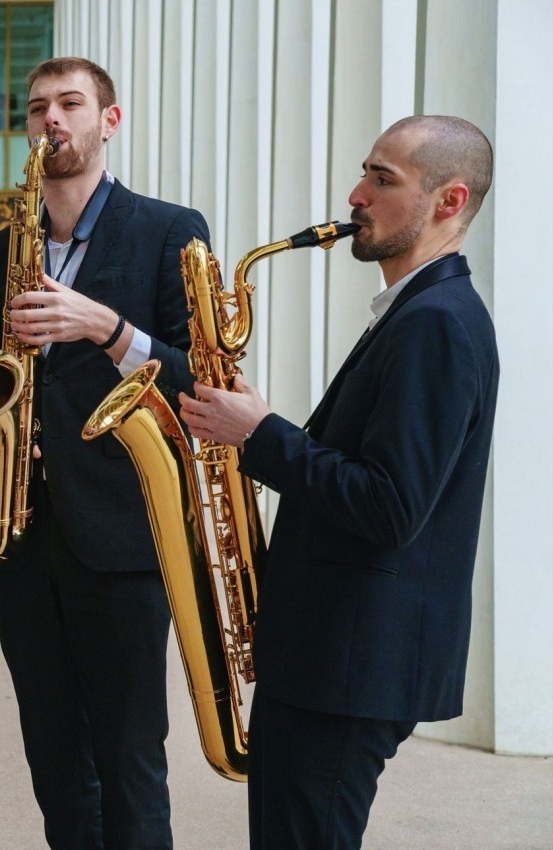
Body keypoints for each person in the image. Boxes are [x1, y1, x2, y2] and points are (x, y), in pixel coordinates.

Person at [178, 115, 498, 849]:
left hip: (349, 663)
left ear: (449, 202)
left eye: (383, 180)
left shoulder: (437, 325)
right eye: (365, 172)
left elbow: (391, 507)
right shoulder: (420, 313)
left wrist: (260, 434)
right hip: (339, 655)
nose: (356, 193)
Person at [0, 57, 209, 850]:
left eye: (71, 104)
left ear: (108, 121)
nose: (52, 119)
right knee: (53, 759)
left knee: (130, 759)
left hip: (123, 536)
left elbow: (202, 382)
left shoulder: (172, 231)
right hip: (24, 534)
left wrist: (107, 330)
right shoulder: (2, 247)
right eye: (38, 107)